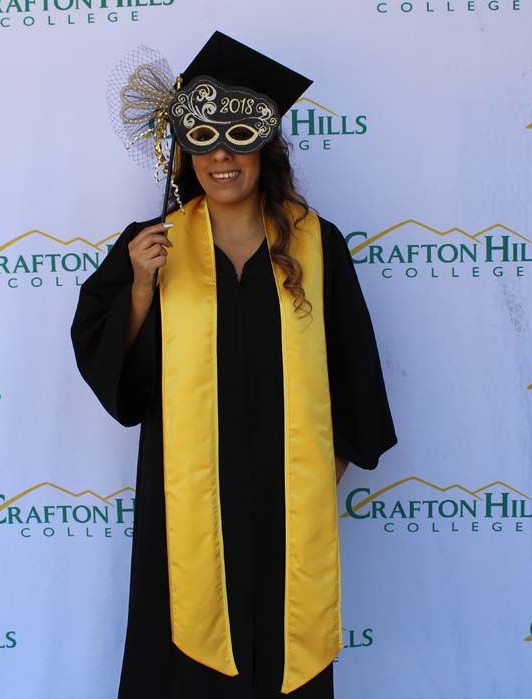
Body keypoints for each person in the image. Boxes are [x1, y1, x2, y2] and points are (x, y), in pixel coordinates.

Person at [71, 31, 396, 699]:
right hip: (186, 508)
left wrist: (312, 484)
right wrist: (137, 287)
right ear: (184, 152)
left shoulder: (314, 243)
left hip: (286, 506)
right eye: (205, 140)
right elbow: (123, 388)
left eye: (238, 138)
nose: (222, 155)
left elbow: (355, 375)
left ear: (264, 149)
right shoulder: (153, 247)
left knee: (285, 655)